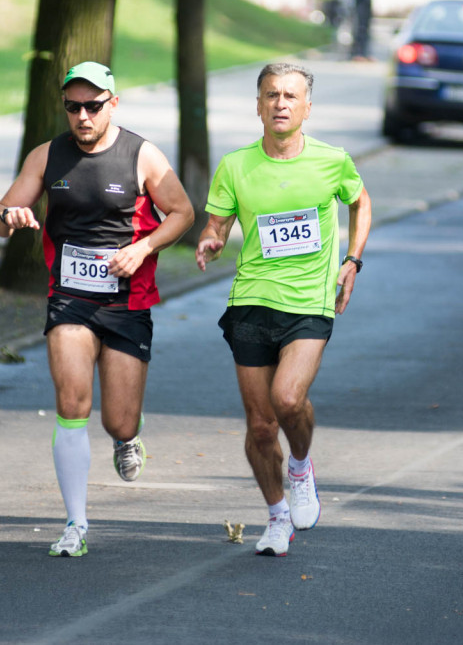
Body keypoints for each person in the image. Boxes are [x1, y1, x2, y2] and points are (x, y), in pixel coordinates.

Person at [0, 61, 194, 558]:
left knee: (118, 421)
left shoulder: (141, 155)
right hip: (70, 298)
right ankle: (76, 525)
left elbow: (184, 213)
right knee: (72, 403)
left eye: (93, 106)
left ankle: (129, 437)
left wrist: (143, 249)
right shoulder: (47, 156)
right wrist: (11, 216)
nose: (82, 116)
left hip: (127, 301)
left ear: (113, 104)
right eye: (73, 107)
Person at [195, 63, 372, 556]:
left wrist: (352, 259)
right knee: (259, 424)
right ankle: (277, 517)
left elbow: (361, 202)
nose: (280, 103)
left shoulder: (331, 160)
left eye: (291, 96)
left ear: (307, 108)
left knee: (288, 399)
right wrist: (210, 241)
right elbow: (217, 223)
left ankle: (300, 466)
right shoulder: (235, 165)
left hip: (308, 301)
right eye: (271, 94)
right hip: (252, 298)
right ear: (257, 104)